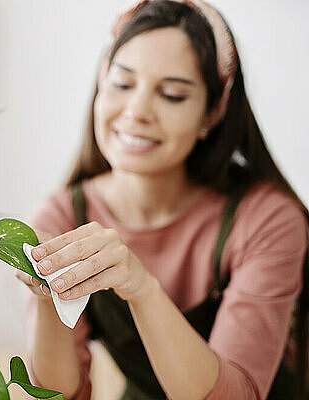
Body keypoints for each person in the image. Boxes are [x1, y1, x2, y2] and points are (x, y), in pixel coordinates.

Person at [16, 1, 309, 399]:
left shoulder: (266, 220)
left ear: (212, 111)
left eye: (171, 95)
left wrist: (141, 287)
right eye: (122, 83)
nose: (137, 111)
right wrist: (49, 297)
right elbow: (58, 394)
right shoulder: (63, 215)